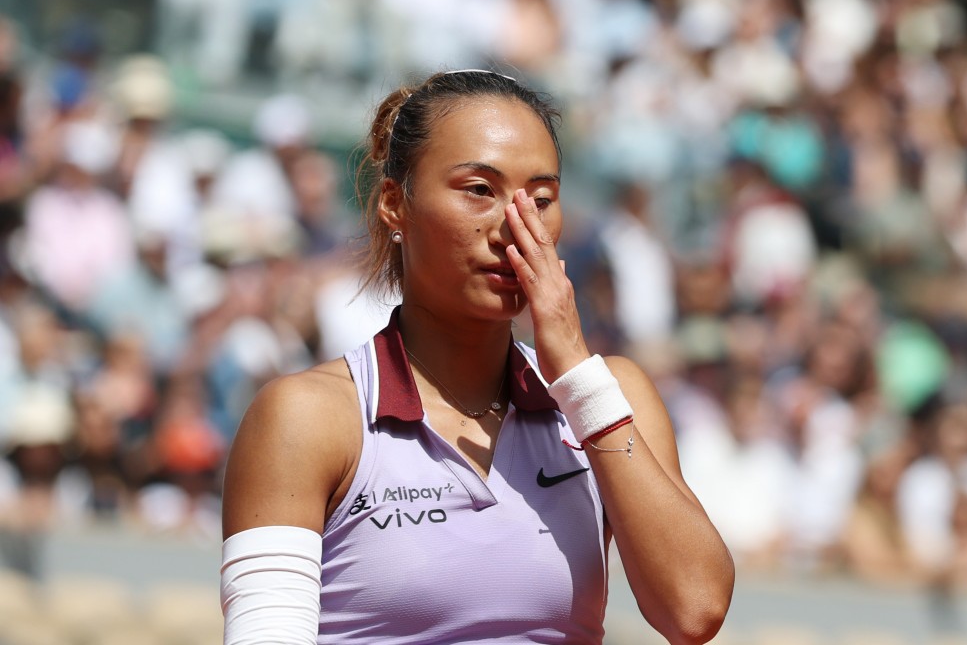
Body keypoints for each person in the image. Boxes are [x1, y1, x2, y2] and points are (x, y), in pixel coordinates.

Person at [219, 69, 734, 644]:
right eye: (478, 191)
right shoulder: (305, 417)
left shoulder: (609, 395)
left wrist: (581, 382)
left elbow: (695, 611)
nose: (515, 229)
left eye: (541, 200)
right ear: (395, 203)